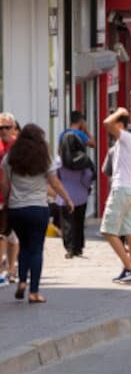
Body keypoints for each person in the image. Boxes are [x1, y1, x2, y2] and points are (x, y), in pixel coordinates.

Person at [1, 123, 74, 303]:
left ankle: (22, 282)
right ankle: (33, 291)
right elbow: (55, 182)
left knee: (24, 246)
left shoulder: (11, 156)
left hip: (16, 209)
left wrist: (7, 199)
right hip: (37, 208)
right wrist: (67, 199)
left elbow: (3, 183)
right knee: (36, 249)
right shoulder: (43, 157)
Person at [101, 108, 131, 283]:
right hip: (128, 189)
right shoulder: (124, 142)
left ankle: (130, 267)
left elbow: (106, 123)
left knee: (108, 230)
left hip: (122, 188)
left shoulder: (126, 138)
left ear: (120, 125)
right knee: (129, 231)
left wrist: (119, 112)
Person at [55, 150, 94, 258]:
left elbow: (55, 177)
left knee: (67, 223)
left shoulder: (59, 160)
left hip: (64, 195)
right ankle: (78, 247)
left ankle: (69, 248)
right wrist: (86, 187)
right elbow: (88, 176)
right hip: (81, 194)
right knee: (79, 222)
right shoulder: (82, 159)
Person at [0, 112, 19, 284]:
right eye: (0, 128)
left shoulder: (19, 148)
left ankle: (11, 269)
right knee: (1, 235)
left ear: (13, 128)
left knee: (12, 236)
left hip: (15, 198)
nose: (3, 131)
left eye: (7, 127)